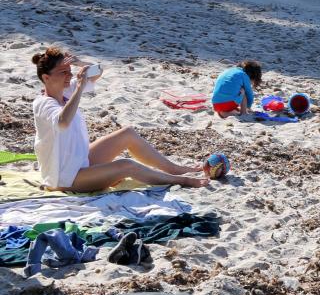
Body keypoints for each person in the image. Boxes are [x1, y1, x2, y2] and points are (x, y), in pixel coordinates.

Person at [31, 47, 207, 191]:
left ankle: (174, 168)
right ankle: (181, 181)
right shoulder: (43, 104)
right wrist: (79, 87)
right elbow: (63, 122)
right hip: (64, 179)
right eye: (63, 72)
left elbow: (98, 69)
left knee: (127, 134)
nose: (69, 76)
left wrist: (78, 63)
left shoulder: (65, 92)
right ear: (46, 78)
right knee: (127, 166)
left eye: (70, 72)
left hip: (79, 162)